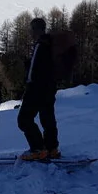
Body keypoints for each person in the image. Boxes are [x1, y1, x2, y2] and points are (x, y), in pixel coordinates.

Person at [17, 18, 60, 161]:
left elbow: (39, 70)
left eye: (32, 29)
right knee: (47, 118)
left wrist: (32, 83)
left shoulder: (42, 45)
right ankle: (51, 149)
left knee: (24, 119)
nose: (30, 32)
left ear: (37, 30)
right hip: (48, 89)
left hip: (37, 89)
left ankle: (38, 149)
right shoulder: (48, 44)